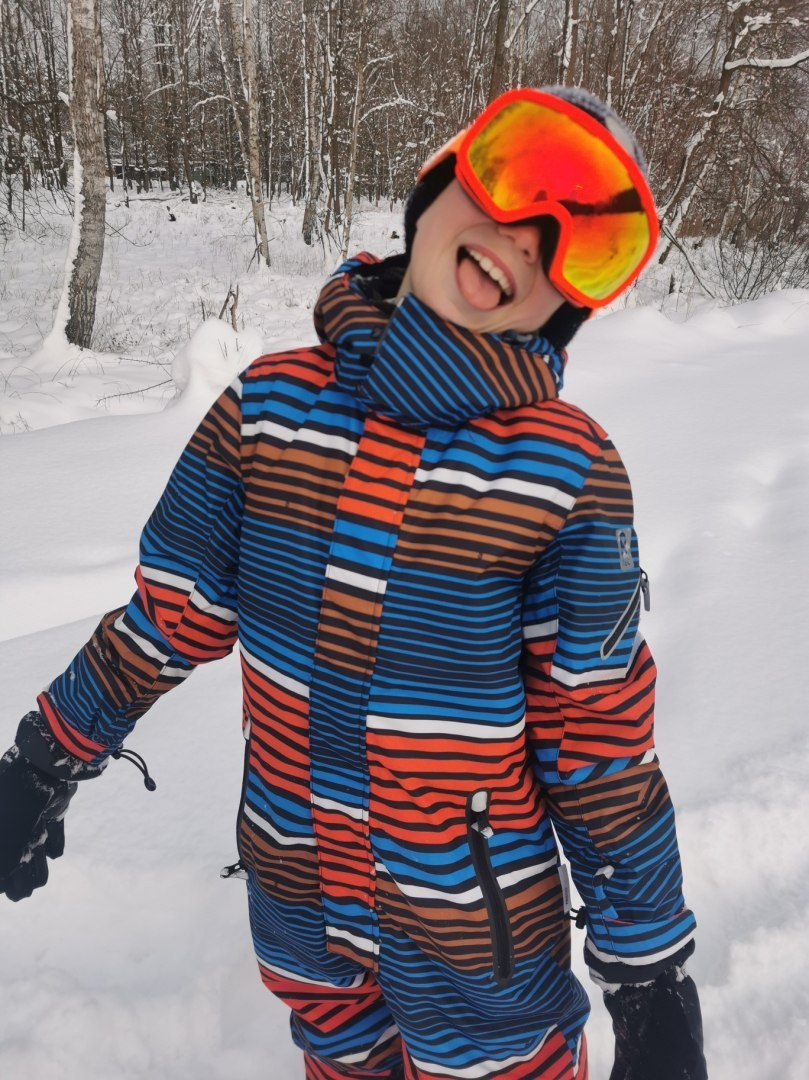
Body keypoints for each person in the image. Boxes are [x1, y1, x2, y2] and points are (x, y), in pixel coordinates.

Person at [0, 87, 707, 1080]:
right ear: (435, 181)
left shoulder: (563, 474)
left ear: (570, 305)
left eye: (587, 245)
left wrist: (648, 978)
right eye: (515, 175)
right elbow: (166, 619)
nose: (532, 236)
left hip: (481, 955)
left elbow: (596, 745)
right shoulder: (267, 411)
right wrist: (44, 757)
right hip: (298, 915)